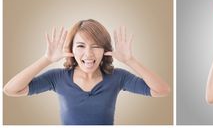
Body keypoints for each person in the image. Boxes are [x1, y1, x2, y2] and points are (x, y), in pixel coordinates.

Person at [4, 19, 170, 125]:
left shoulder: (117, 77)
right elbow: (10, 90)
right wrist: (46, 59)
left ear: (105, 50)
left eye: (96, 46)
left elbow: (162, 90)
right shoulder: (58, 78)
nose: (89, 54)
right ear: (71, 49)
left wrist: (129, 60)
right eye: (81, 46)